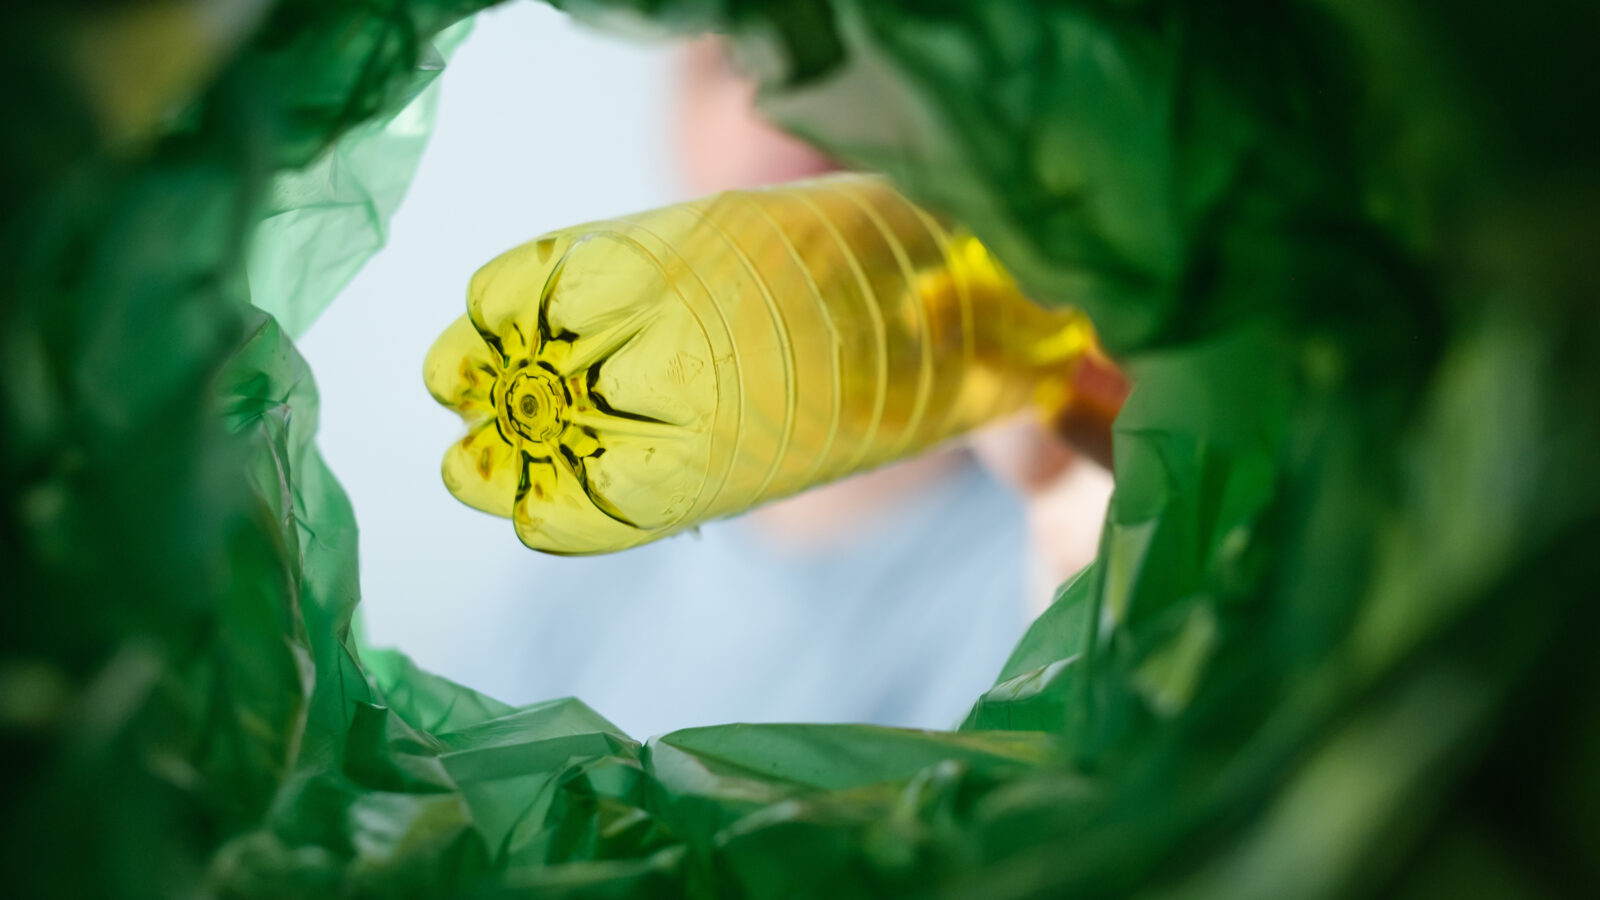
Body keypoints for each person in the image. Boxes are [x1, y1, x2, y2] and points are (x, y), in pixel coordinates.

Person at [442, 37, 1113, 738]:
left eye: (871, 39)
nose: (792, 96)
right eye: (735, 56)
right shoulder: (569, 610)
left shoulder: (1081, 550)